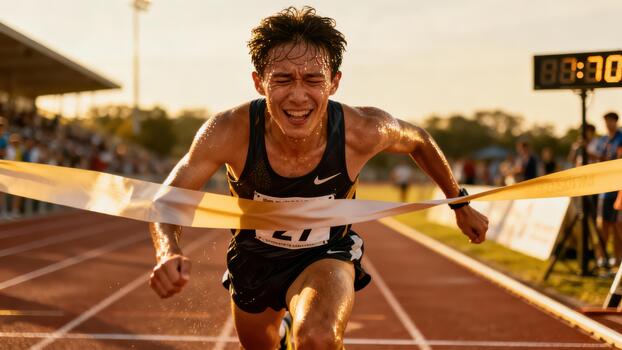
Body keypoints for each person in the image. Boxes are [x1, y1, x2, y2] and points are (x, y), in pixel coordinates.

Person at [148, 7, 488, 350]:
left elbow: (419, 140)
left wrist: (460, 204)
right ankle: (278, 334)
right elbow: (168, 199)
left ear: (334, 82)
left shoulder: (362, 130)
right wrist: (168, 251)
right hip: (254, 260)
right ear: (259, 82)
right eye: (282, 79)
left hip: (327, 252)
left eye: (313, 80)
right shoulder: (228, 131)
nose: (298, 96)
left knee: (317, 338)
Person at [596, 112, 622, 266]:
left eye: (610, 121)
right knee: (602, 225)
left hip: (617, 189)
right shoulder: (602, 140)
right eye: (606, 121)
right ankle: (602, 257)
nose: (607, 124)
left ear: (615, 121)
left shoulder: (620, 138)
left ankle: (617, 258)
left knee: (617, 226)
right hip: (603, 191)